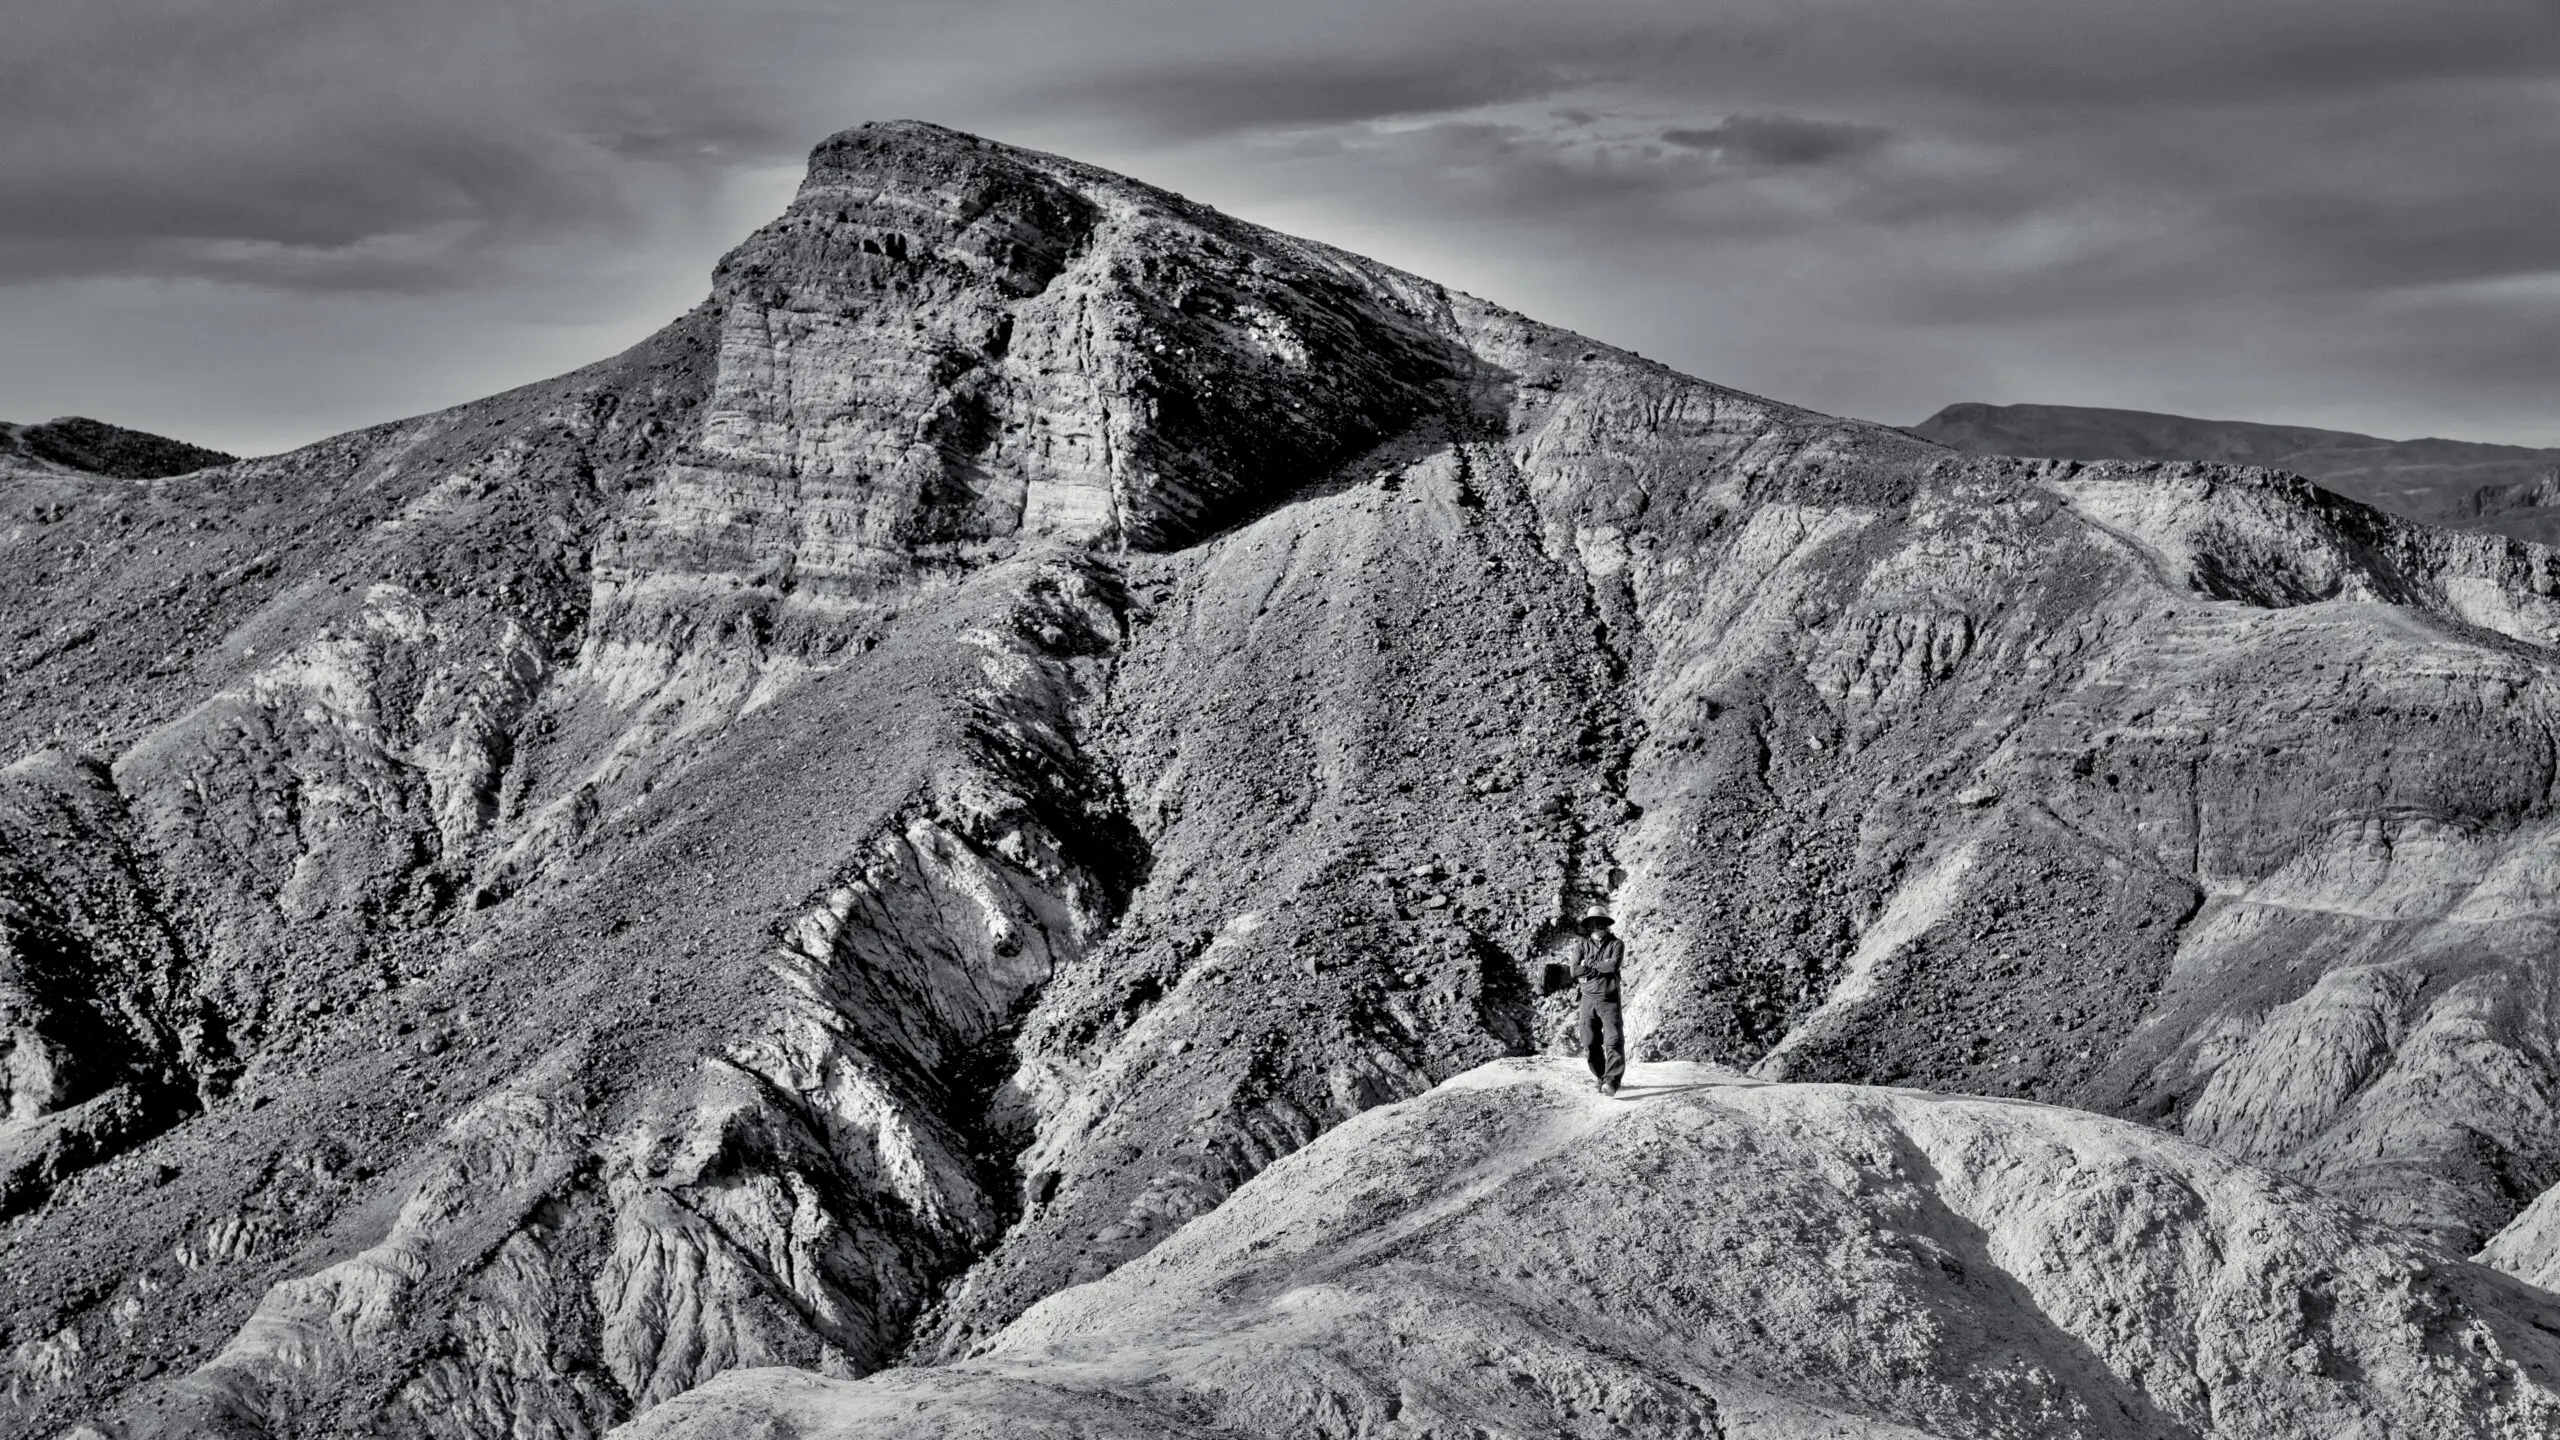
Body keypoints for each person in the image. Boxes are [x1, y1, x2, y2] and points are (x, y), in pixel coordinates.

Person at [1572, 912, 1626, 1096]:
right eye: (1594, 923)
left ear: (1606, 925)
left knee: (1613, 1041)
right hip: (1587, 999)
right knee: (1590, 1042)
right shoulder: (1581, 945)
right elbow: (1574, 970)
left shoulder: (1616, 944)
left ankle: (1612, 1081)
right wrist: (1599, 966)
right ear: (1589, 925)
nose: (1598, 926)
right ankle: (1601, 1076)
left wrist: (1589, 964)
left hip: (1609, 1000)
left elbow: (1612, 966)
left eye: (1602, 923)